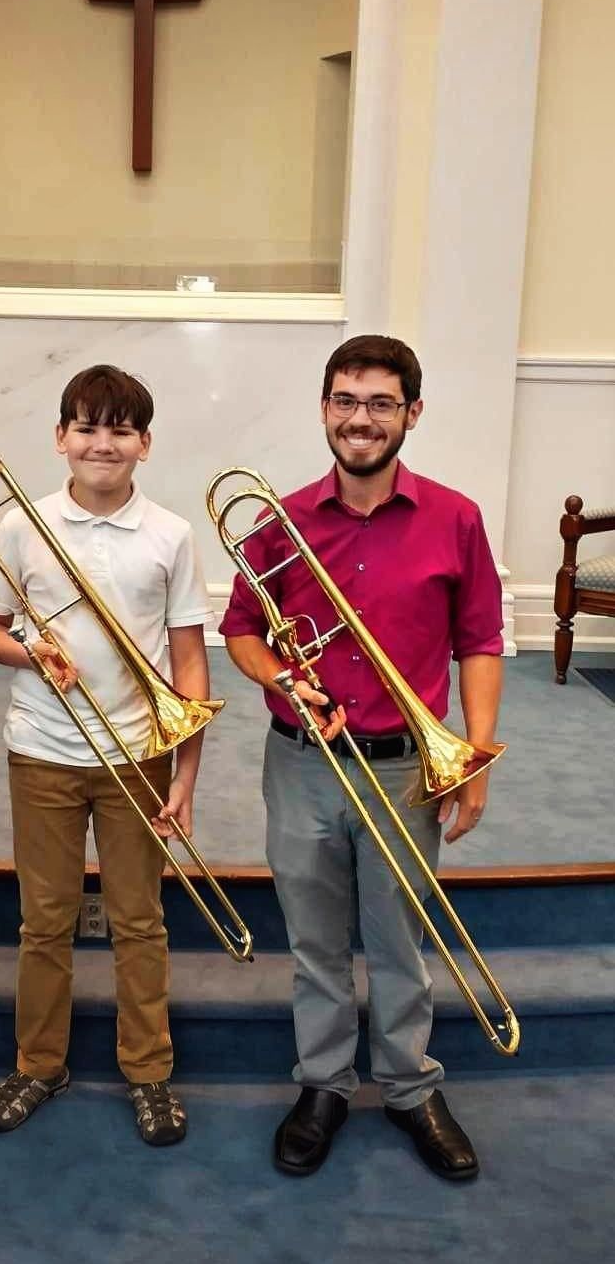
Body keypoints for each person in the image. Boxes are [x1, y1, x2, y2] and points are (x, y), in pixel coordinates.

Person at [219, 334, 503, 1181]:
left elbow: (480, 638)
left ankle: (413, 1086)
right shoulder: (281, 519)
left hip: (403, 765)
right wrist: (280, 675)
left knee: (398, 938)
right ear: (323, 409)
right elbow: (239, 629)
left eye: (381, 403)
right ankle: (325, 1083)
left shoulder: (455, 517)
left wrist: (475, 753)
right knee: (313, 941)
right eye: (345, 400)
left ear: (413, 412)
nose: (360, 419)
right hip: (303, 761)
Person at [0, 364, 213, 1145]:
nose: (101, 443)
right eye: (85, 426)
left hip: (136, 754)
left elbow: (189, 665)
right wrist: (27, 653)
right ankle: (39, 1061)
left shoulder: (171, 534)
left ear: (144, 443)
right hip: (40, 751)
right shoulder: (20, 526)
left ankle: (148, 1070)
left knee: (139, 919)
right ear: (59, 438)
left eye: (119, 429)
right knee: (44, 921)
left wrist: (186, 774)